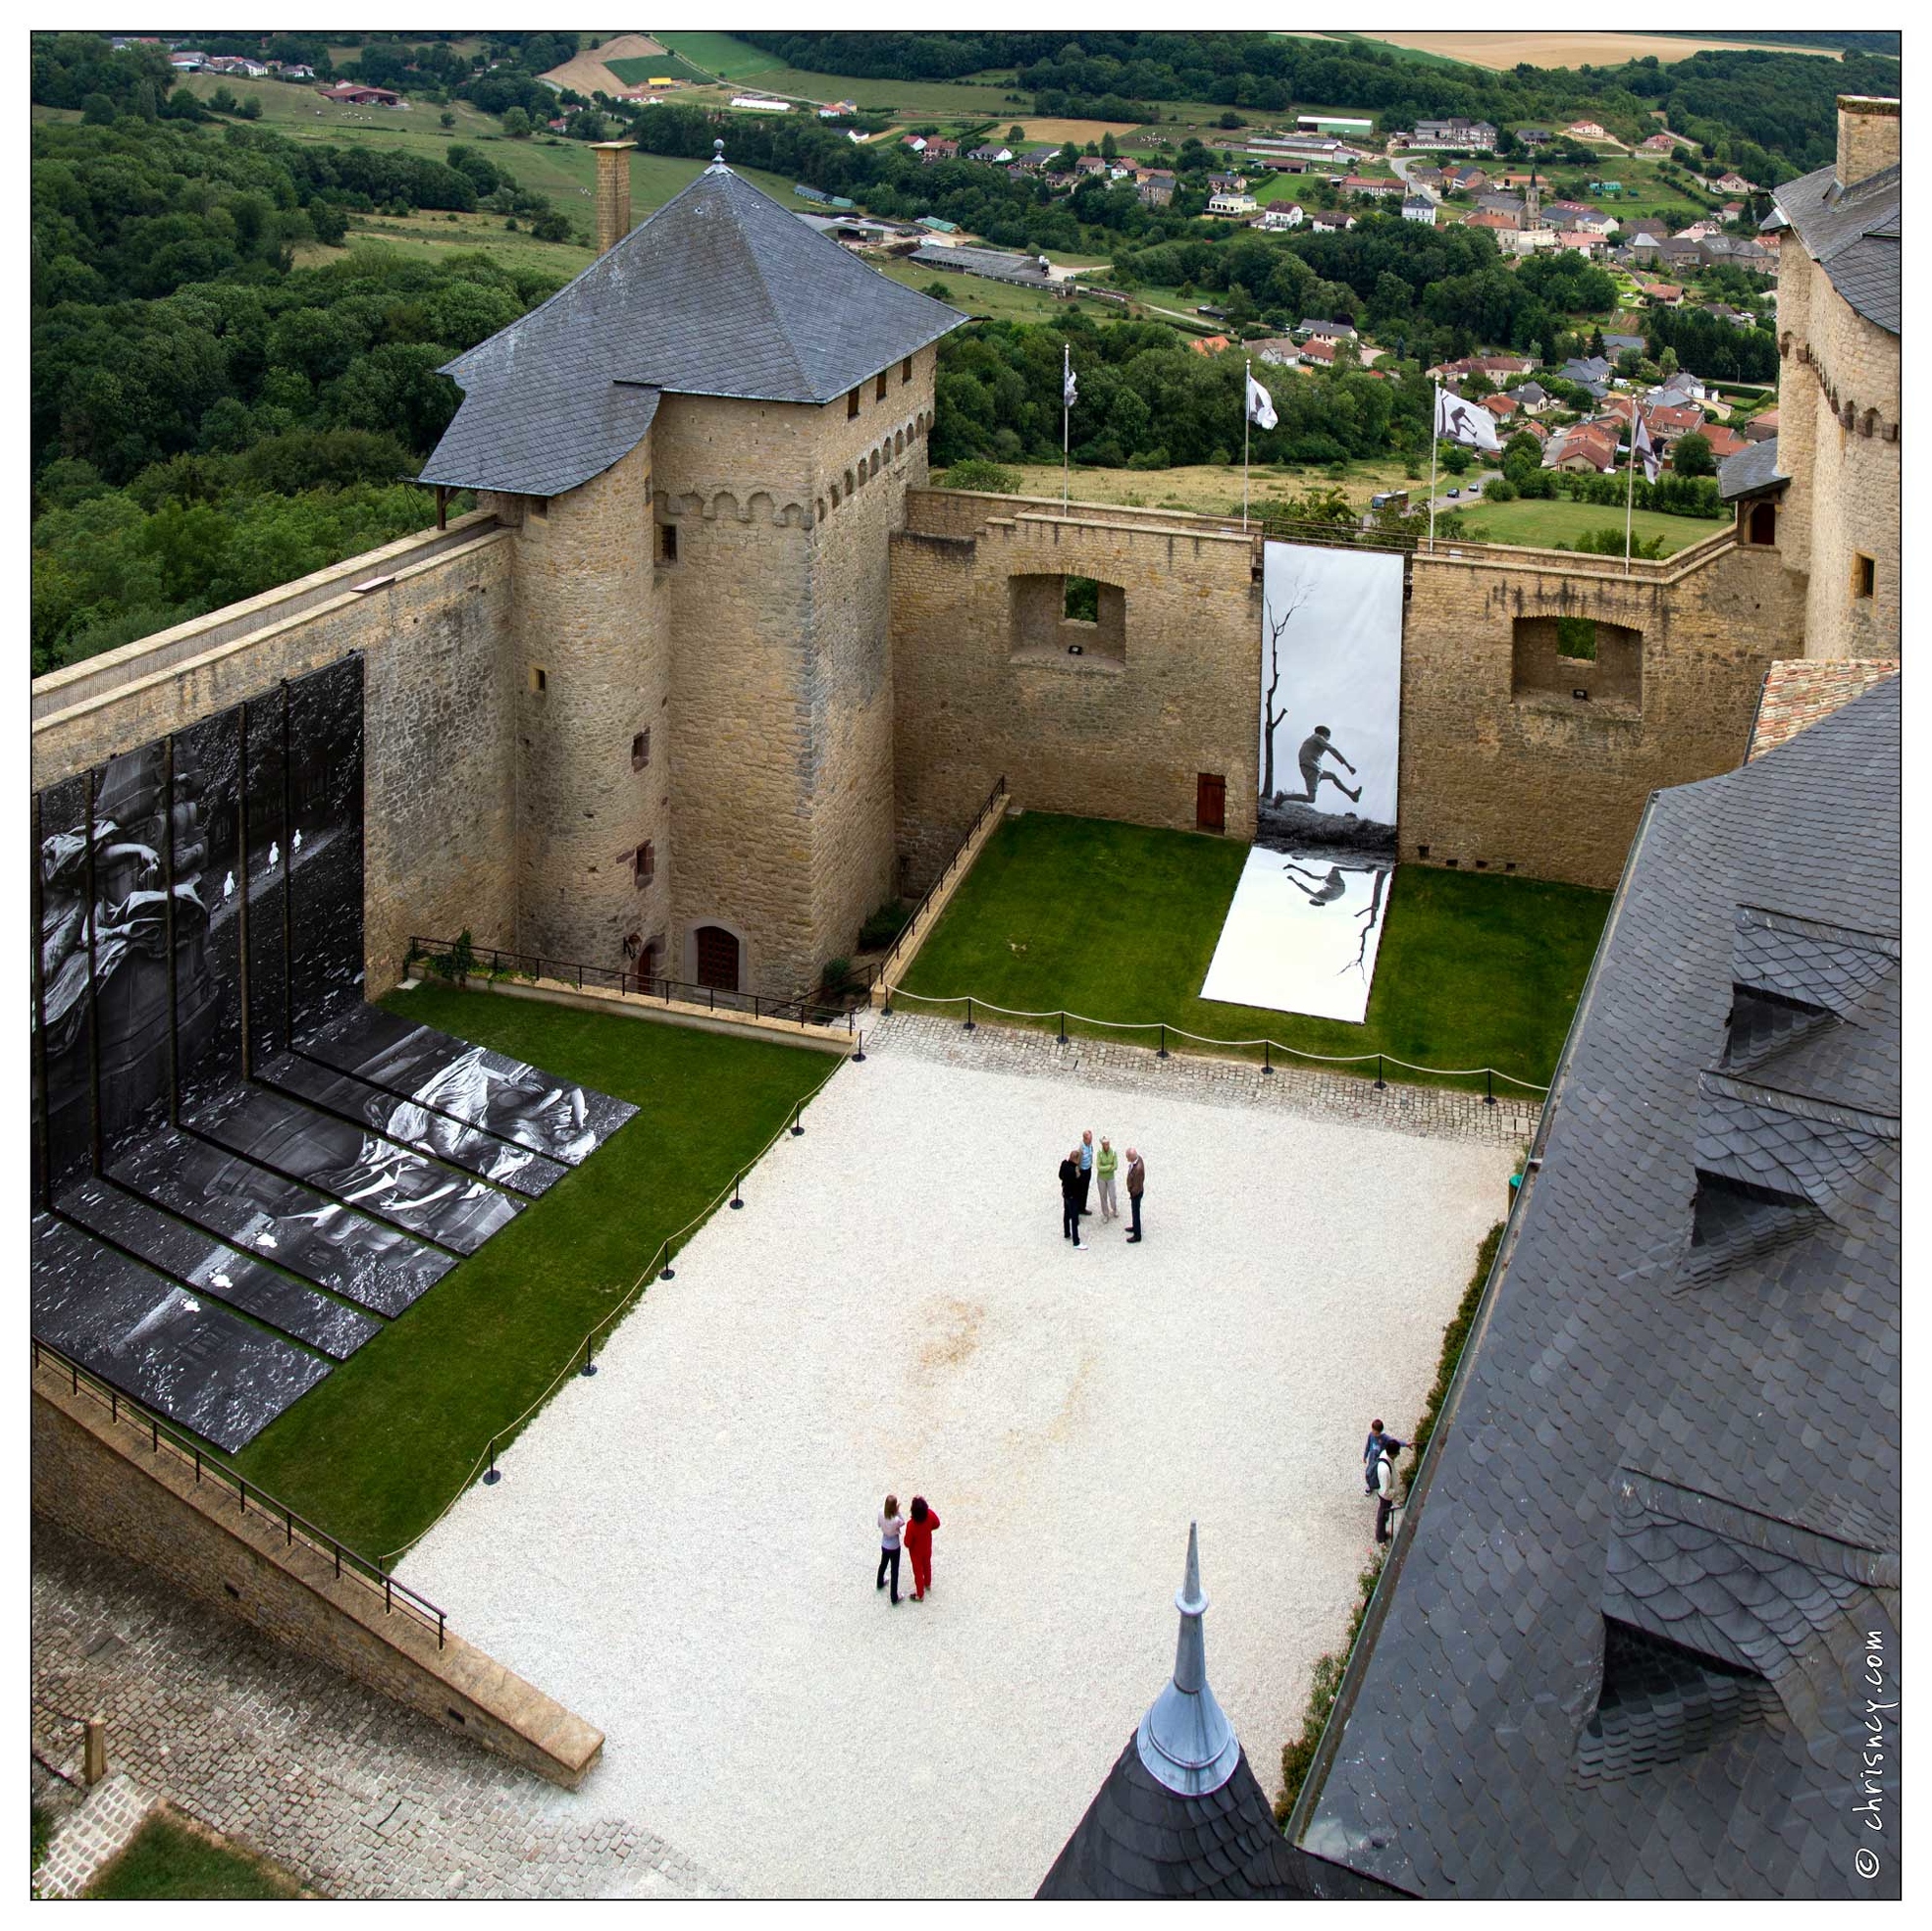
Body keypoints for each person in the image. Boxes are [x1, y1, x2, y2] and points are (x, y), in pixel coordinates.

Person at [1291, 725, 1361, 806]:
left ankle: (1352, 795)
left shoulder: (1311, 739)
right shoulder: (1318, 737)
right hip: (1311, 768)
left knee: (1332, 776)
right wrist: (1348, 766)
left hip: (1312, 767)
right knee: (1311, 798)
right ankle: (1283, 797)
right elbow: (1333, 750)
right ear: (1325, 734)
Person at [904, 1495, 941, 1601]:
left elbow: (907, 1543)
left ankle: (920, 1594)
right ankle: (928, 1583)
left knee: (918, 1572)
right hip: (927, 1547)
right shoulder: (930, 1515)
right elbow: (937, 1523)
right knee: (927, 1565)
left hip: (916, 1553)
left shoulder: (911, 1525)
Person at [1362, 1420, 1408, 1494]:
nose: (1373, 1433)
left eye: (1376, 1432)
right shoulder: (1371, 1435)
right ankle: (1370, 1485)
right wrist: (1365, 1455)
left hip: (1379, 1460)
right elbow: (1368, 1445)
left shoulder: (1384, 1438)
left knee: (1377, 1474)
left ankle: (1377, 1485)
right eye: (1373, 1430)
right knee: (1369, 1472)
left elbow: (1395, 1441)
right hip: (1372, 1459)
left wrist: (1406, 1444)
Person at [877, 1494, 906, 1603]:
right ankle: (894, 1597)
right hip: (894, 1546)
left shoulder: (880, 1512)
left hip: (884, 1543)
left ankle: (880, 1581)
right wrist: (897, 1512)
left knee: (883, 1563)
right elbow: (903, 1522)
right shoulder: (896, 1520)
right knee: (894, 1571)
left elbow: (879, 1524)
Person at [1059, 1148, 1087, 1250]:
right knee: (1074, 1219)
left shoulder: (1064, 1164)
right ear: (1076, 1159)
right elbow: (1078, 1185)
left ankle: (1067, 1233)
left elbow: (1060, 1176)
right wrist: (1078, 1176)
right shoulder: (1074, 1171)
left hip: (1065, 1193)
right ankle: (1076, 1242)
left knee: (1066, 1214)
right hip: (1073, 1197)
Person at [1372, 1444, 1400, 1545]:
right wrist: (1395, 1492)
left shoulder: (1384, 1454)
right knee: (1383, 1516)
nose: (1398, 1454)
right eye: (1397, 1453)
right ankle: (1380, 1537)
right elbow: (1385, 1491)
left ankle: (1382, 1534)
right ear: (1392, 1454)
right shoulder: (1385, 1470)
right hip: (1385, 1497)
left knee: (1384, 1515)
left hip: (1386, 1495)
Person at [1094, 1136, 1121, 1222]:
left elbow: (1115, 1166)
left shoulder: (1113, 1152)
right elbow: (1098, 1167)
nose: (1106, 1146)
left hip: (1110, 1178)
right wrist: (1109, 1167)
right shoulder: (1099, 1153)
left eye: (1107, 1144)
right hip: (1101, 1178)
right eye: (1104, 1144)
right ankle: (1105, 1214)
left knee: (1112, 1196)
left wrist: (1104, 1168)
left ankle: (1114, 1209)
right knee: (1103, 1196)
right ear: (1102, 1145)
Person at [1124, 1147, 1145, 1242]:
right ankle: (1135, 1227)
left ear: (1131, 1157)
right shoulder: (1138, 1159)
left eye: (1127, 1157)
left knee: (1136, 1213)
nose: (1127, 1159)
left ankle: (1137, 1235)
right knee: (1134, 1212)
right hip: (1136, 1192)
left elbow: (1137, 1185)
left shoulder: (1138, 1169)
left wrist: (1132, 1192)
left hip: (1136, 1194)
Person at [1077, 1128, 1095, 1217]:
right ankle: (1078, 1209)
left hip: (1088, 1169)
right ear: (1084, 1139)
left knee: (1085, 1190)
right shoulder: (1081, 1148)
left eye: (1091, 1139)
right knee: (1080, 1191)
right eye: (1089, 1139)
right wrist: (1078, 1172)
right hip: (1082, 1171)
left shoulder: (1090, 1145)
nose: (1091, 1141)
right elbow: (1078, 1161)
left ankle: (1082, 1207)